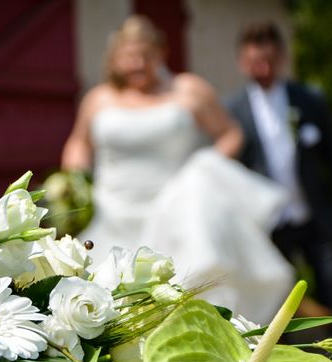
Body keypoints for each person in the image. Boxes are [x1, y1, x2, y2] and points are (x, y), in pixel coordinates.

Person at [61, 15, 295, 325]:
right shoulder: (98, 99)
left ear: (160, 53)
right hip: (113, 213)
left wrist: (205, 166)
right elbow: (79, 143)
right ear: (115, 59)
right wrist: (75, 182)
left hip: (176, 209)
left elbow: (230, 133)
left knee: (184, 292)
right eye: (128, 57)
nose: (137, 65)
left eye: (144, 56)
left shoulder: (188, 89)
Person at [226, 20, 332, 334]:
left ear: (280, 58)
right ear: (242, 62)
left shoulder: (308, 100)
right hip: (270, 222)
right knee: (279, 299)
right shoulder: (233, 109)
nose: (261, 69)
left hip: (315, 212)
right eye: (253, 62)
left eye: (267, 61)